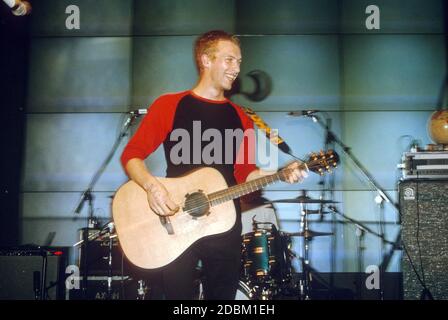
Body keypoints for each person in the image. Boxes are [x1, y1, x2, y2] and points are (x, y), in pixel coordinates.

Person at [120, 30, 308, 300]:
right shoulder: (170, 105)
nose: (237, 68)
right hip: (176, 220)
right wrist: (152, 187)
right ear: (205, 60)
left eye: (239, 62)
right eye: (229, 60)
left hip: (224, 223)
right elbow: (132, 155)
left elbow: (245, 172)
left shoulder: (240, 116)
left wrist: (279, 174)